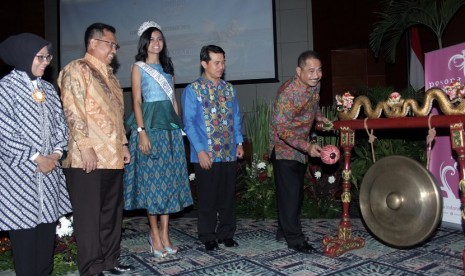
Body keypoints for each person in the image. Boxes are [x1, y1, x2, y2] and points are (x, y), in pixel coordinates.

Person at [58, 23, 133, 276]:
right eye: (109, 44)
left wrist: (123, 144)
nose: (114, 49)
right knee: (89, 217)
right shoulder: (77, 69)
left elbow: (117, 115)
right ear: (93, 43)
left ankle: (110, 261)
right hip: (86, 157)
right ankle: (91, 268)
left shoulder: (111, 77)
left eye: (115, 45)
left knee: (112, 213)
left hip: (112, 157)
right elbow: (72, 109)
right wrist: (86, 146)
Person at [0, 33, 72, 276]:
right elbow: (4, 130)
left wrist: (56, 153)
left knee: (44, 247)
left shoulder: (48, 89)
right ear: (23, 56)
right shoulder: (6, 89)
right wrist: (37, 157)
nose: (45, 62)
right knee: (26, 249)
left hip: (49, 176)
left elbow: (61, 125)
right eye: (40, 57)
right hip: (20, 180)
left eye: (47, 57)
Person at [123, 21, 193, 258]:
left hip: (170, 131)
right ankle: (153, 234)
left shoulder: (167, 70)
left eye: (160, 39)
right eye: (152, 39)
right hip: (150, 129)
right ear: (145, 42)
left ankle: (165, 233)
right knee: (152, 184)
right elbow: (136, 101)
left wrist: (179, 129)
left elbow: (173, 102)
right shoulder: (138, 68)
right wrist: (141, 131)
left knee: (169, 182)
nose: (156, 43)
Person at [182, 45, 244, 251]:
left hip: (228, 152)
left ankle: (226, 233)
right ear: (204, 63)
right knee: (207, 198)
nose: (221, 66)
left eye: (223, 62)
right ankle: (207, 235)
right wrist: (199, 150)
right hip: (205, 154)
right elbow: (189, 123)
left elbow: (236, 116)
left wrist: (239, 142)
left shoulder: (229, 88)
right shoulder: (193, 90)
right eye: (216, 62)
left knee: (227, 197)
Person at [269, 50, 329, 254]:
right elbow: (282, 129)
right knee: (291, 194)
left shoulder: (314, 85)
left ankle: (283, 230)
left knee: (293, 196)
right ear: (299, 71)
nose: (316, 74)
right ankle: (295, 240)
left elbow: (314, 104)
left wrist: (319, 117)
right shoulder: (289, 93)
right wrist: (308, 147)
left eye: (319, 70)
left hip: (300, 147)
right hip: (284, 148)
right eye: (311, 70)